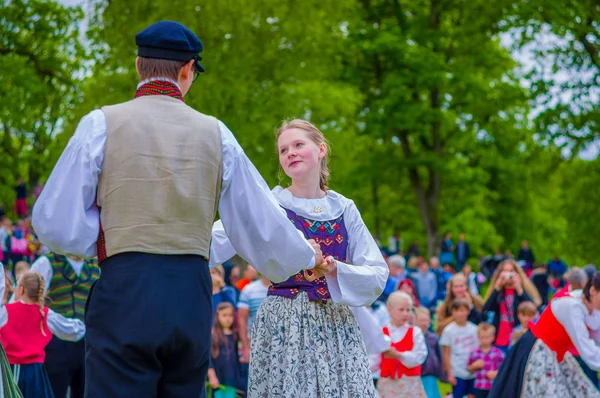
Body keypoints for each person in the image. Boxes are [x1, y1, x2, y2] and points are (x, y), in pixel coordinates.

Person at [31, 21, 325, 397]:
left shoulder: (100, 124)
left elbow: (54, 222)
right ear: (188, 70)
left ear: (139, 65)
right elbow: (257, 222)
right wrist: (302, 254)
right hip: (190, 293)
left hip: (125, 286)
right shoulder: (217, 133)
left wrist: (113, 235)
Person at [210, 119, 388, 397]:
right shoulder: (272, 204)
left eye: (298, 145)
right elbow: (221, 235)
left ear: (321, 150)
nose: (290, 152)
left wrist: (334, 269)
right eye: (283, 150)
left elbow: (377, 273)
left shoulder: (344, 208)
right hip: (285, 323)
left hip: (335, 324)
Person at [489, 273, 600, 397]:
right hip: (539, 352)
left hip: (558, 356)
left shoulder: (592, 308)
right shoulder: (571, 305)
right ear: (593, 290)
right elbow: (588, 351)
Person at [0, 269, 86, 398]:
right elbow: (73, 331)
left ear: (22, 290)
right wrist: (89, 325)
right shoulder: (46, 314)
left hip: (13, 371)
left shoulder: (6, 312)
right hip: (36, 373)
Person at [28, 253, 99, 398]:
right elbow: (27, 300)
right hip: (55, 342)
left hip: (88, 343)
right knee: (54, 392)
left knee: (87, 392)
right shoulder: (47, 262)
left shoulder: (96, 266)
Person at [371, 291, 427, 397]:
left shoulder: (415, 332)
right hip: (387, 384)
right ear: (389, 310)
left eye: (408, 310)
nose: (406, 313)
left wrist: (399, 355)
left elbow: (420, 356)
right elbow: (374, 359)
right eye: (401, 310)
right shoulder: (382, 332)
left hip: (410, 384)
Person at [482, 259, 541, 353]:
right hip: (500, 338)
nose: (508, 275)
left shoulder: (521, 291)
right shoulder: (499, 292)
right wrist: (497, 288)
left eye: (511, 271)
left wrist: (519, 289)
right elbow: (487, 308)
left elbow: (532, 309)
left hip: (517, 336)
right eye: (505, 271)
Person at [440, 298, 479, 398]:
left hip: (472, 372)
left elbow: (479, 350)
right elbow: (446, 354)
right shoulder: (448, 331)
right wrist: (449, 373)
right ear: (452, 312)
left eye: (462, 310)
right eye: (456, 311)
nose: (459, 314)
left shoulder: (474, 329)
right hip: (457, 372)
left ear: (468, 311)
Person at [207, 302, 243, 396]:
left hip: (232, 379)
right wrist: (212, 377)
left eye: (230, 315)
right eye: (224, 315)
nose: (228, 319)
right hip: (218, 379)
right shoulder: (212, 335)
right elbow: (208, 358)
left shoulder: (235, 334)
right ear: (217, 315)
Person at [467, 323, 504, 398]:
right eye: (482, 337)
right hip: (479, 385)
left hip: (493, 386)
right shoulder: (474, 353)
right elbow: (469, 369)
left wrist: (496, 373)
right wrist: (474, 366)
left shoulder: (498, 353)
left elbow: (503, 369)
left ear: (493, 337)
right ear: (478, 338)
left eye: (487, 337)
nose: (484, 340)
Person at [414, 307, 444, 398]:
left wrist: (441, 373)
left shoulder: (433, 338)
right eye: (421, 320)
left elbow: (439, 356)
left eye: (426, 320)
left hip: (431, 375)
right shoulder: (412, 336)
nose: (424, 323)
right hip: (417, 375)